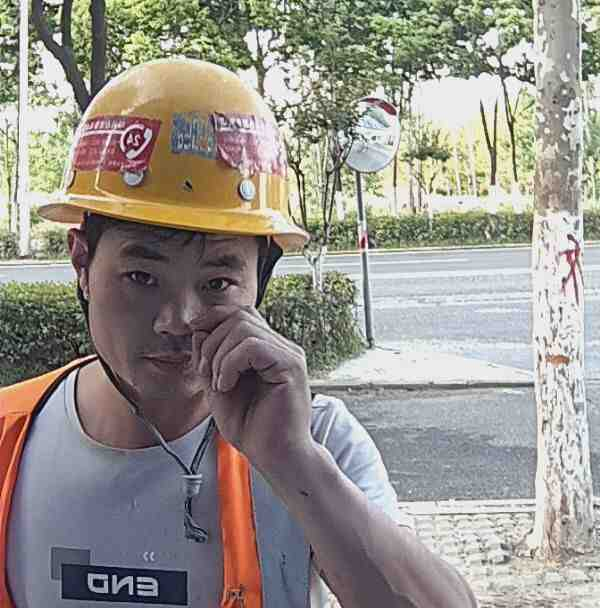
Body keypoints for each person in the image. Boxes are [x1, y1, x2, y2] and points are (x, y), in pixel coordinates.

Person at [0, 59, 477, 608]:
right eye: (141, 277)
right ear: (82, 262)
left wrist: (294, 462)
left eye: (217, 283)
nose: (177, 319)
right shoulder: (9, 437)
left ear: (260, 279)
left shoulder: (317, 439)